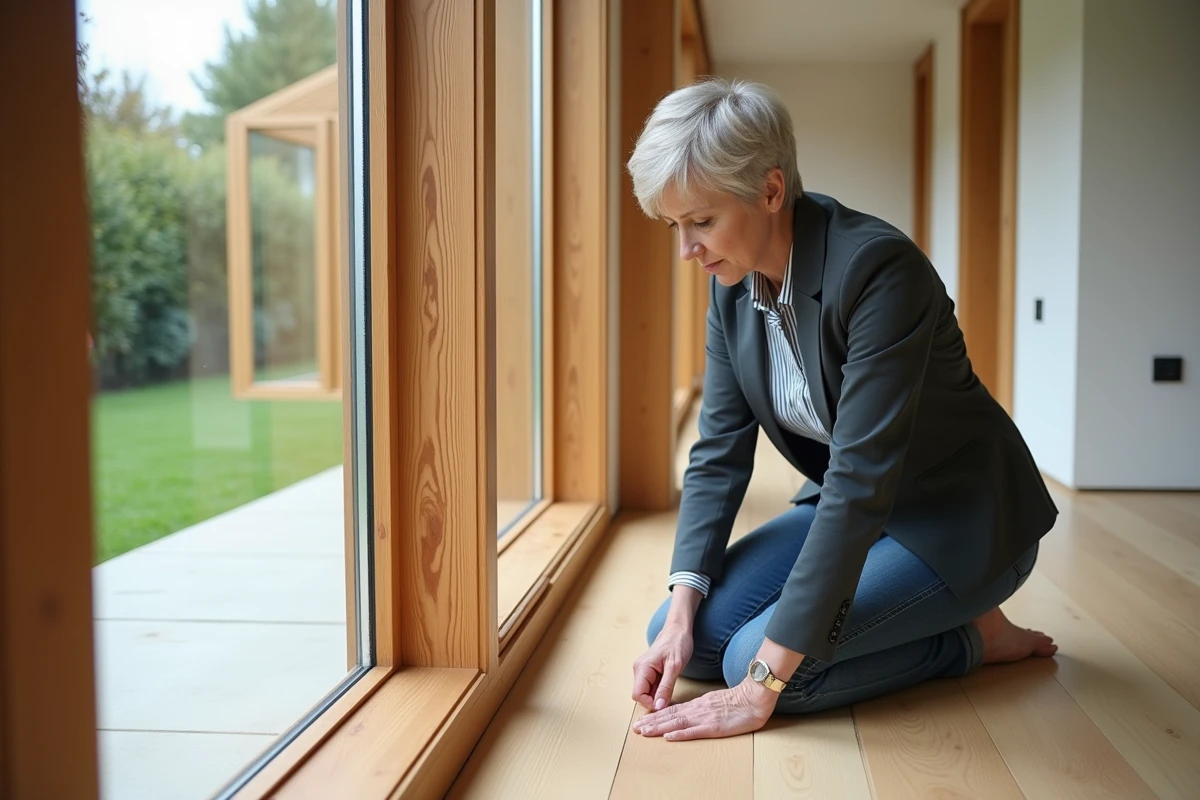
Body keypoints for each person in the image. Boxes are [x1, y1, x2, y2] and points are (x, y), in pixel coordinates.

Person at [626, 78, 1059, 743]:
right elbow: (717, 454)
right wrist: (683, 608)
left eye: (702, 221)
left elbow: (860, 478)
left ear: (772, 191)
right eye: (674, 225)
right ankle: (931, 618)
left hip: (959, 520)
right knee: (683, 635)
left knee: (757, 666)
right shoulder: (732, 287)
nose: (686, 250)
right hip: (857, 510)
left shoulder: (880, 271)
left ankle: (974, 638)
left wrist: (761, 686)